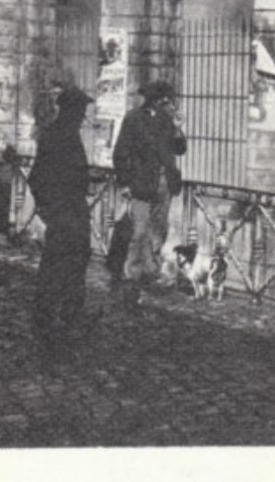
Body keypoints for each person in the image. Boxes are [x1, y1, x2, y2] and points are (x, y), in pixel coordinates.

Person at [30, 82, 94, 368]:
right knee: (66, 263)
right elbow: (38, 177)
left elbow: (37, 178)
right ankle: (61, 317)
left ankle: (57, 315)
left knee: (65, 262)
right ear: (72, 111)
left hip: (69, 210)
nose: (83, 116)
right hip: (66, 212)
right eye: (81, 111)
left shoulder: (61, 134)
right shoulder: (61, 136)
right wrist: (50, 209)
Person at [110, 81, 187, 307]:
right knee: (139, 230)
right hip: (141, 183)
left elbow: (180, 149)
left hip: (164, 183)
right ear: (156, 100)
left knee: (159, 229)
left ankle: (150, 269)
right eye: (166, 100)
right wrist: (125, 183)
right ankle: (132, 274)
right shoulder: (133, 118)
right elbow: (120, 153)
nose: (170, 104)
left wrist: (178, 127)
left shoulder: (167, 121)